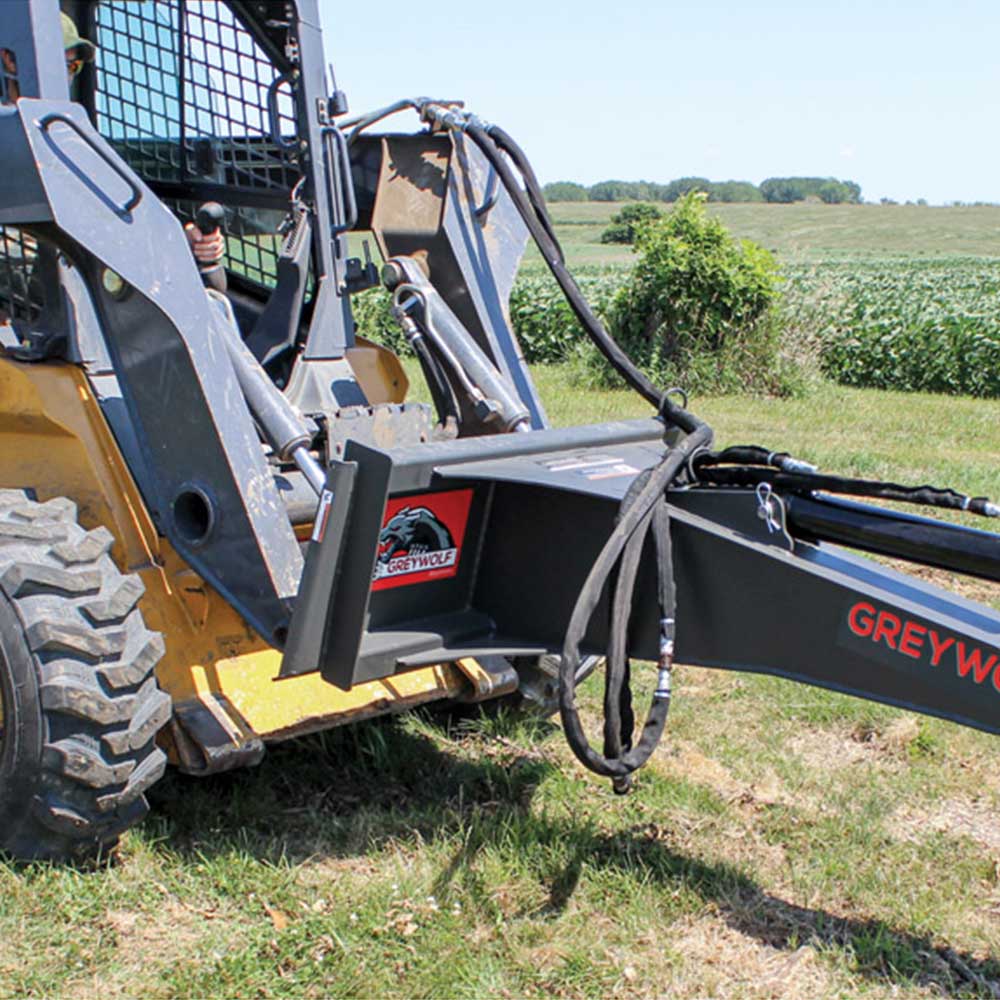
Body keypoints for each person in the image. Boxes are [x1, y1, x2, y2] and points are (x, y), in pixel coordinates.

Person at [1, 14, 225, 271]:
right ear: (9, 60)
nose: (65, 76)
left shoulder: (67, 138)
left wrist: (181, 242)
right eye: (55, 63)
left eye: (72, 67)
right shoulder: (13, 133)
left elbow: (117, 218)